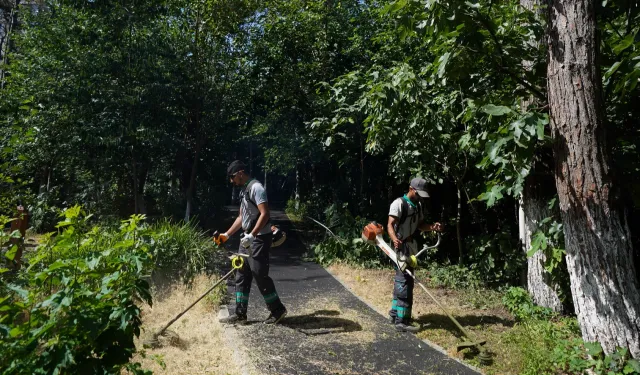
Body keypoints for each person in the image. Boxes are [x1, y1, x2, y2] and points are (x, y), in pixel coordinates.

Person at [217, 160, 287, 325]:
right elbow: (242, 217)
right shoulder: (244, 190)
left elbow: (265, 214)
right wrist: (226, 234)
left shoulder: (257, 188)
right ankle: (240, 313)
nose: (231, 181)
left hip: (259, 238)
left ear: (241, 172)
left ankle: (278, 310)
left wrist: (253, 235)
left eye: (233, 177)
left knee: (259, 274)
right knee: (241, 274)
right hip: (246, 238)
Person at [387, 178, 442, 333]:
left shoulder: (418, 206)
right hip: (400, 246)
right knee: (404, 281)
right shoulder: (399, 204)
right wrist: (394, 239)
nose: (420, 197)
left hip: (411, 247)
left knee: (404, 280)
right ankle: (401, 322)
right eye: (419, 194)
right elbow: (389, 224)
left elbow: (420, 225)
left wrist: (432, 227)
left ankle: (394, 313)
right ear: (411, 189)